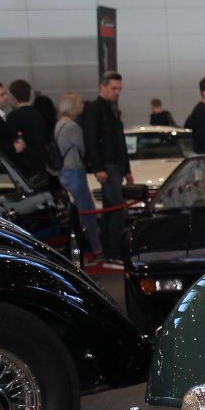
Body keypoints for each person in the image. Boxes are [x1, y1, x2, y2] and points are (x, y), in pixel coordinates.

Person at [81, 72, 131, 265]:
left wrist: (126, 169)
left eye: (119, 89)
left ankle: (111, 251)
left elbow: (120, 140)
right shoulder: (94, 109)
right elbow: (91, 140)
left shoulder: (111, 109)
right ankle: (114, 252)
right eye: (114, 88)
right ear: (102, 87)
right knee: (117, 211)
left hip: (115, 165)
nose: (117, 92)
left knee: (111, 210)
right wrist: (98, 167)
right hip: (107, 166)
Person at [53, 92, 102, 261]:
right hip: (75, 171)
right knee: (87, 211)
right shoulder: (72, 126)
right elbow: (84, 148)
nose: (82, 106)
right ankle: (96, 248)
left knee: (77, 211)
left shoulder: (59, 124)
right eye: (80, 103)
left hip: (64, 171)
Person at [7, 79, 49, 176]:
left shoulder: (13, 116)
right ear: (30, 94)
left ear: (13, 97)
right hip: (42, 159)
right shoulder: (38, 113)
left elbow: (14, 140)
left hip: (25, 162)